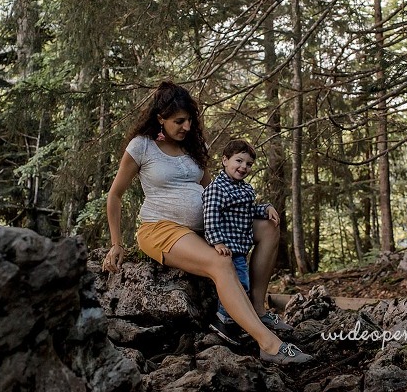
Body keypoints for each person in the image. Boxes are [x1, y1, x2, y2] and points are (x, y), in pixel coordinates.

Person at [103, 80, 312, 365]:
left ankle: (257, 309)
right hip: (160, 228)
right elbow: (114, 195)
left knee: (269, 227)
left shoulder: (192, 147)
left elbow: (216, 189)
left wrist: (260, 208)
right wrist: (116, 244)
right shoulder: (141, 147)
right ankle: (269, 344)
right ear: (160, 118)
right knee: (220, 262)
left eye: (190, 120)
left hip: (207, 226)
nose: (187, 126)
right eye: (179, 121)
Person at [203, 138, 293, 345]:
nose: (243, 167)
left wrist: (266, 208)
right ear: (225, 160)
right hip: (227, 249)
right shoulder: (218, 189)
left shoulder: (244, 189)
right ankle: (225, 321)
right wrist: (217, 242)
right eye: (239, 161)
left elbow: (250, 211)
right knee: (238, 286)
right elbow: (210, 217)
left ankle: (240, 318)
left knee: (243, 284)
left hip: (240, 249)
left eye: (249, 164)